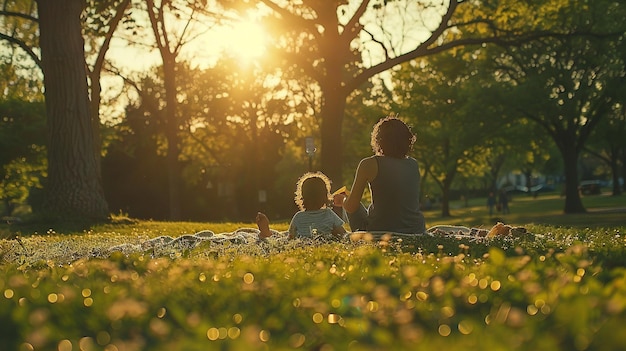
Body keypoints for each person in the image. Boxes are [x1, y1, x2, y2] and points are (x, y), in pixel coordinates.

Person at [337, 115, 426, 234]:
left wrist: (342, 199)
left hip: (380, 232)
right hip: (415, 231)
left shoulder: (368, 164)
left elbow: (351, 207)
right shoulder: (413, 164)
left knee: (352, 202)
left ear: (379, 140)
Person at [256, 172, 347, 239]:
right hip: (324, 243)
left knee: (282, 238)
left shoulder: (299, 217)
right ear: (325, 196)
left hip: (303, 244)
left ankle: (267, 234)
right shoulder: (329, 214)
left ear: (302, 197)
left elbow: (290, 238)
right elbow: (343, 234)